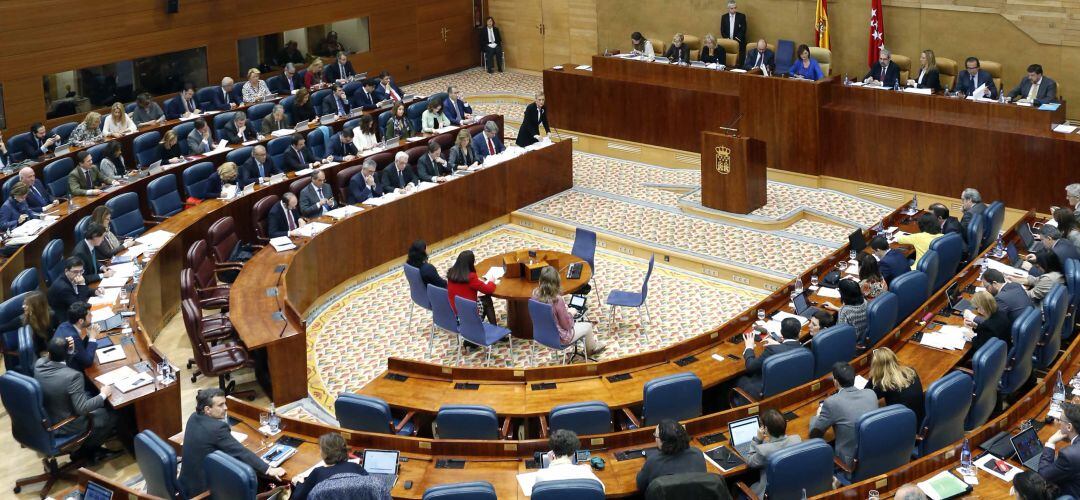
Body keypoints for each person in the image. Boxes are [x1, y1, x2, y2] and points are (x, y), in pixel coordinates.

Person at [178, 388, 286, 496]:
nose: (226, 408)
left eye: (225, 404)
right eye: (220, 405)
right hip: (204, 491)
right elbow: (240, 452)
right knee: (250, 477)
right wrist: (268, 469)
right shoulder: (217, 428)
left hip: (186, 484)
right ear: (207, 409)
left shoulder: (193, 417)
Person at [34, 337, 117, 463]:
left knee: (91, 397)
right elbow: (82, 408)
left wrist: (69, 353)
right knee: (109, 414)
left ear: (48, 353)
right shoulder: (73, 377)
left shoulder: (39, 364)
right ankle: (87, 452)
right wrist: (103, 395)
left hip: (49, 416)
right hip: (66, 425)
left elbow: (59, 367)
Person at [809, 361, 880, 466]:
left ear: (836, 382)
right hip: (874, 453)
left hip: (849, 462)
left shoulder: (832, 403)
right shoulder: (871, 393)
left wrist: (818, 416)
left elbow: (814, 435)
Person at [291, 432, 386, 500]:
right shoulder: (356, 467)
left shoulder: (317, 472)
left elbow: (298, 497)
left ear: (324, 453)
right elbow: (372, 487)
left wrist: (298, 484)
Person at [533, 265, 605, 354]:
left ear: (540, 280)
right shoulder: (557, 299)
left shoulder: (535, 295)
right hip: (559, 338)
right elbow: (567, 326)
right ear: (556, 282)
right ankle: (591, 349)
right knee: (588, 326)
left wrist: (563, 310)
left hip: (541, 335)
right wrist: (571, 313)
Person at [735, 317, 806, 399]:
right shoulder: (804, 348)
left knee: (735, 381)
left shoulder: (772, 350)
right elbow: (788, 349)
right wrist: (780, 345)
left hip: (767, 392)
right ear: (799, 333)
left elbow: (751, 367)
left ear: (781, 333)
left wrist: (749, 348)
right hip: (791, 386)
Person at [745, 408, 802, 497]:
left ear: (766, 429)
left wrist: (758, 439)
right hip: (793, 489)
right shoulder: (796, 440)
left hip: (769, 494)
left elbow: (749, 461)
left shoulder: (765, 451)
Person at [636, 420, 706, 492]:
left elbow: (641, 486)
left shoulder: (653, 462)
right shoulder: (697, 454)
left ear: (663, 442)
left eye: (655, 436)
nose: (655, 439)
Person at [867, 347, 925, 422]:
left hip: (903, 422)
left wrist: (873, 376)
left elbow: (868, 395)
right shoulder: (911, 371)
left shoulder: (884, 384)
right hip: (919, 418)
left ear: (876, 366)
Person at [534, 429, 604, 490]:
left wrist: (552, 464)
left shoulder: (540, 475)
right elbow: (601, 489)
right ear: (573, 452)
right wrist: (588, 471)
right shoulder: (585, 472)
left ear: (553, 451)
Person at [1039, 401, 1080, 497]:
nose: (1058, 422)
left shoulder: (1069, 455)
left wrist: (1050, 443)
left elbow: (1042, 476)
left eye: (1060, 420)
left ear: (1069, 427)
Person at [446, 250, 498, 324]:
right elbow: (489, 290)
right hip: (471, 317)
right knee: (487, 299)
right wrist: (491, 281)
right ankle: (495, 328)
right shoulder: (470, 277)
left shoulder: (451, 273)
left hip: (456, 314)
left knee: (481, 298)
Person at [52, 301, 100, 372]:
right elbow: (88, 362)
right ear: (81, 321)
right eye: (89, 315)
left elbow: (79, 348)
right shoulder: (73, 337)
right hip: (70, 372)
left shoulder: (64, 324)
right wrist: (92, 338)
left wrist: (88, 336)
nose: (92, 316)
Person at [47, 258, 98, 324]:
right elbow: (79, 307)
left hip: (73, 305)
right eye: (76, 272)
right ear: (66, 271)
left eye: (81, 271)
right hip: (67, 318)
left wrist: (94, 291)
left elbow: (79, 291)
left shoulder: (72, 276)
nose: (79, 275)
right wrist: (81, 285)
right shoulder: (63, 288)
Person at [720, 1, 747, 65]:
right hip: (728, 42)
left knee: (740, 62)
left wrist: (736, 40)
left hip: (739, 42)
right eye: (732, 8)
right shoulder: (724, 17)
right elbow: (722, 30)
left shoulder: (741, 16)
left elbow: (743, 29)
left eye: (735, 8)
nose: (734, 10)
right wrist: (728, 40)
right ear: (728, 8)